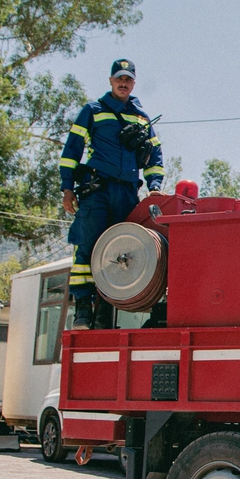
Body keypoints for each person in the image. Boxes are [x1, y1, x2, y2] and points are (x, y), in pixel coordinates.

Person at [59, 59, 164, 329]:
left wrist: (154, 186)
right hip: (97, 190)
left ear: (133, 83)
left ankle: (104, 313)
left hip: (127, 193)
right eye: (119, 78)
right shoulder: (93, 111)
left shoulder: (142, 118)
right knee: (87, 247)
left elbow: (155, 156)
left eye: (128, 79)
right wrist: (67, 188)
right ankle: (83, 309)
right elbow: (72, 149)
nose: (123, 83)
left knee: (121, 251)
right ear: (110, 80)